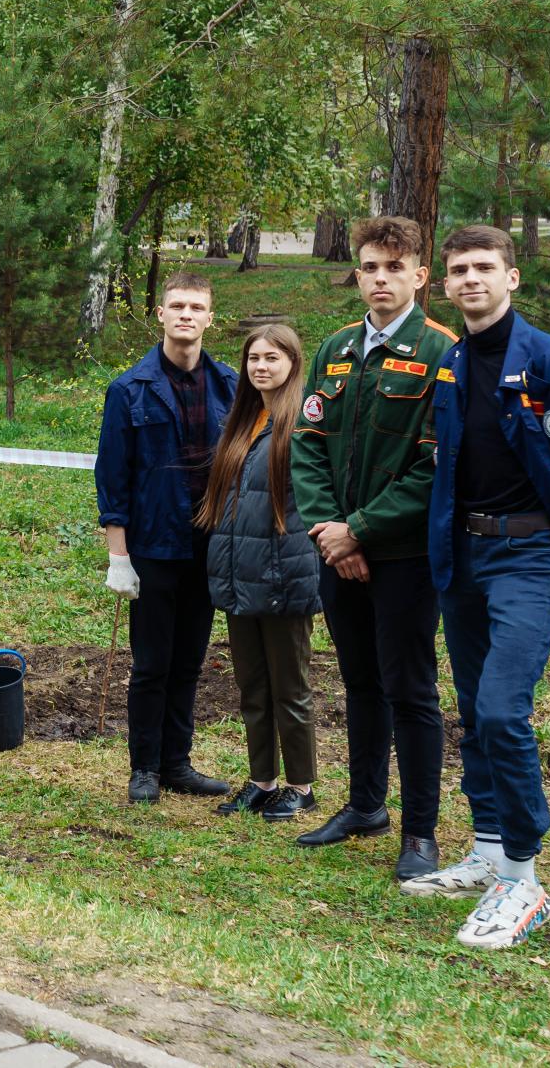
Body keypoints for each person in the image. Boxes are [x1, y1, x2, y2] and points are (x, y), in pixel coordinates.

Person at [402, 224, 550, 950]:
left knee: (502, 709)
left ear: (511, 277)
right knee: (473, 709)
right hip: (463, 554)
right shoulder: (452, 363)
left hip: (528, 554)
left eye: (484, 267)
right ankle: (489, 849)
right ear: (445, 284)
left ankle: (523, 881)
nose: (471, 279)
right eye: (459, 269)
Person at [290, 215, 456, 881]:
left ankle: (420, 832)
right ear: (356, 275)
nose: (380, 279)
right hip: (337, 551)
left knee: (410, 690)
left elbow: (436, 465)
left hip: (405, 556)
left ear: (420, 275)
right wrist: (333, 532)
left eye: (395, 267)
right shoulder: (335, 349)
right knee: (360, 683)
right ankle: (365, 807)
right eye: (369, 267)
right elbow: (308, 446)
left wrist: (359, 529)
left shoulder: (443, 352)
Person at [95, 271, 237, 804]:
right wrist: (119, 557)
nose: (185, 315)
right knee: (152, 664)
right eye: (177, 306)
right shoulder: (129, 389)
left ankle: (178, 764)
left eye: (195, 307)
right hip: (154, 547)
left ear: (209, 318)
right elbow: (113, 477)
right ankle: (145, 768)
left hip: (209, 546)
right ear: (160, 314)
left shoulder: (231, 386)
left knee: (190, 661)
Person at [195, 324, 322, 820]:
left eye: (272, 358)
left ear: (293, 363)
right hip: (239, 574)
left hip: (284, 575)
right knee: (252, 686)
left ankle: (301, 785)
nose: (261, 367)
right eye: (253, 358)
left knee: (290, 688)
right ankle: (262, 780)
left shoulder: (304, 422)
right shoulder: (243, 421)